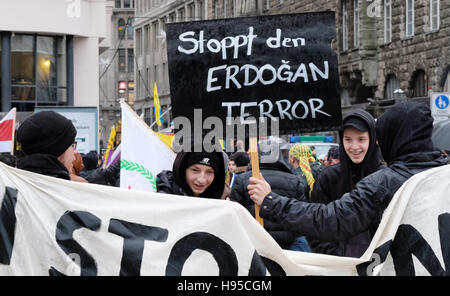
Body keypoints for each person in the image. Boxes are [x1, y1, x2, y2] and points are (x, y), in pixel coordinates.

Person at [247, 101, 448, 257]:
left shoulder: (384, 182)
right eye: (348, 139)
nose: (355, 146)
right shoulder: (444, 173)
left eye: (365, 138)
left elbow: (329, 219)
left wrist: (271, 202)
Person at [308, 109, 385, 257]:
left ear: (372, 139)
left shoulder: (385, 177)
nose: (354, 147)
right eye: (348, 139)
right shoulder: (328, 178)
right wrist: (335, 255)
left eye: (361, 139)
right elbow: (315, 222)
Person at [230, 139, 310, 251]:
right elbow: (301, 214)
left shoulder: (243, 179)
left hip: (254, 242)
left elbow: (235, 214)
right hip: (288, 244)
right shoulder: (294, 180)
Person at [16, 111, 77, 180]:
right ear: (58, 149)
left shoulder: (14, 182)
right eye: (72, 145)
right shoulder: (63, 189)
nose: (75, 152)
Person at [156, 147, 226, 199]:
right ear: (182, 171)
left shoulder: (223, 203)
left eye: (209, 172)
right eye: (195, 170)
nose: (201, 180)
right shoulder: (163, 201)